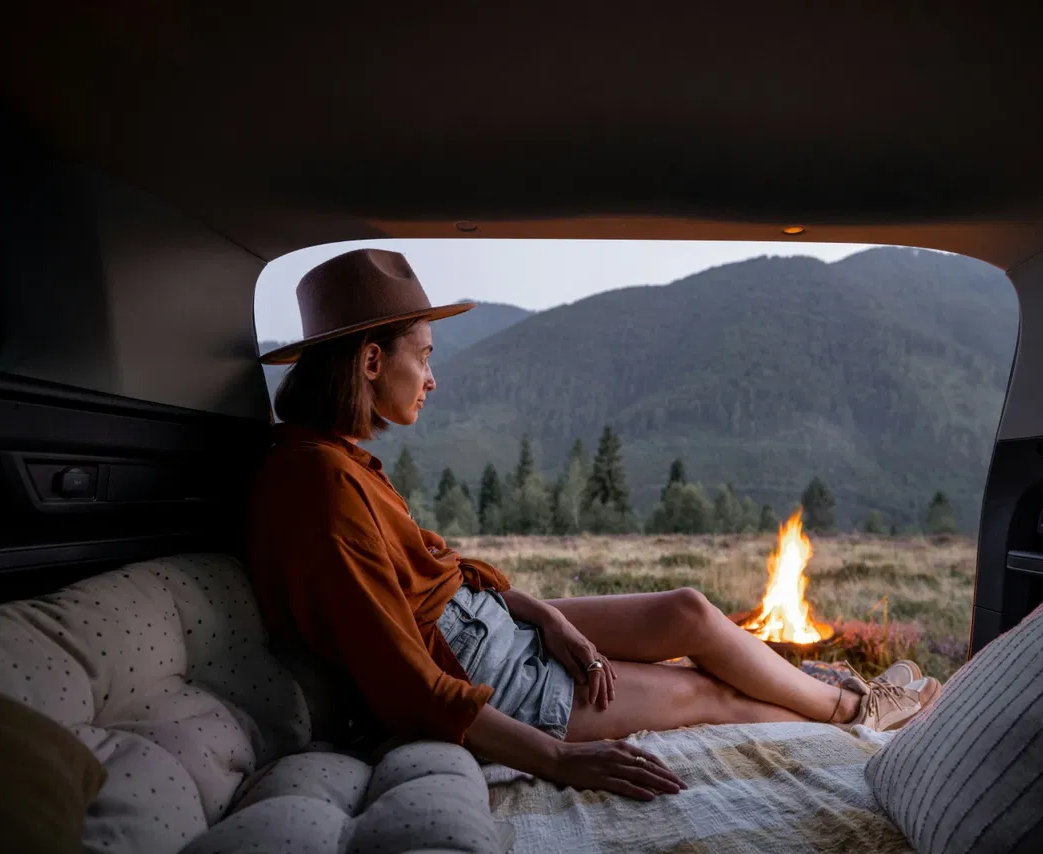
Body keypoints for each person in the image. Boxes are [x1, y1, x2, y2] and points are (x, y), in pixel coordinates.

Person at [249, 248, 940, 802]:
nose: (432, 378)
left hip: (490, 623)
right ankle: (857, 718)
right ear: (372, 361)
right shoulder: (319, 486)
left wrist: (543, 614)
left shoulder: (339, 461)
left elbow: (442, 572)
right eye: (424, 356)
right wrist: (558, 759)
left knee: (688, 612)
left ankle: (848, 702)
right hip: (484, 670)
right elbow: (401, 679)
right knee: (706, 693)